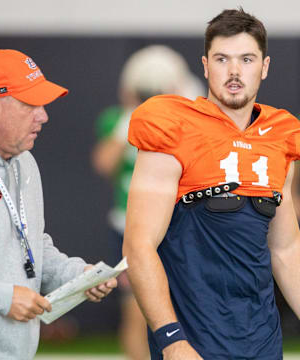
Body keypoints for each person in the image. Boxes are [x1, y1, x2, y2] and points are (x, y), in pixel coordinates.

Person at [123, 8, 300, 360]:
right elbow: (138, 246)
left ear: (264, 67)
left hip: (262, 340)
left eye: (247, 59)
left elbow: (286, 249)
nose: (234, 72)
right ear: (205, 66)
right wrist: (172, 340)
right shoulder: (172, 126)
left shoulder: (281, 136)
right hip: (193, 340)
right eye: (223, 59)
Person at [0, 48, 117, 360]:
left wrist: (78, 276)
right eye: (30, 104)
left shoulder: (24, 162)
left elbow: (30, 246)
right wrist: (2, 298)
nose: (44, 115)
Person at [92, 45, 205, 360]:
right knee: (135, 310)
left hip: (176, 224)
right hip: (129, 225)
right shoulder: (118, 118)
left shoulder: (181, 119)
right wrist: (131, 117)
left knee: (184, 306)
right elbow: (104, 163)